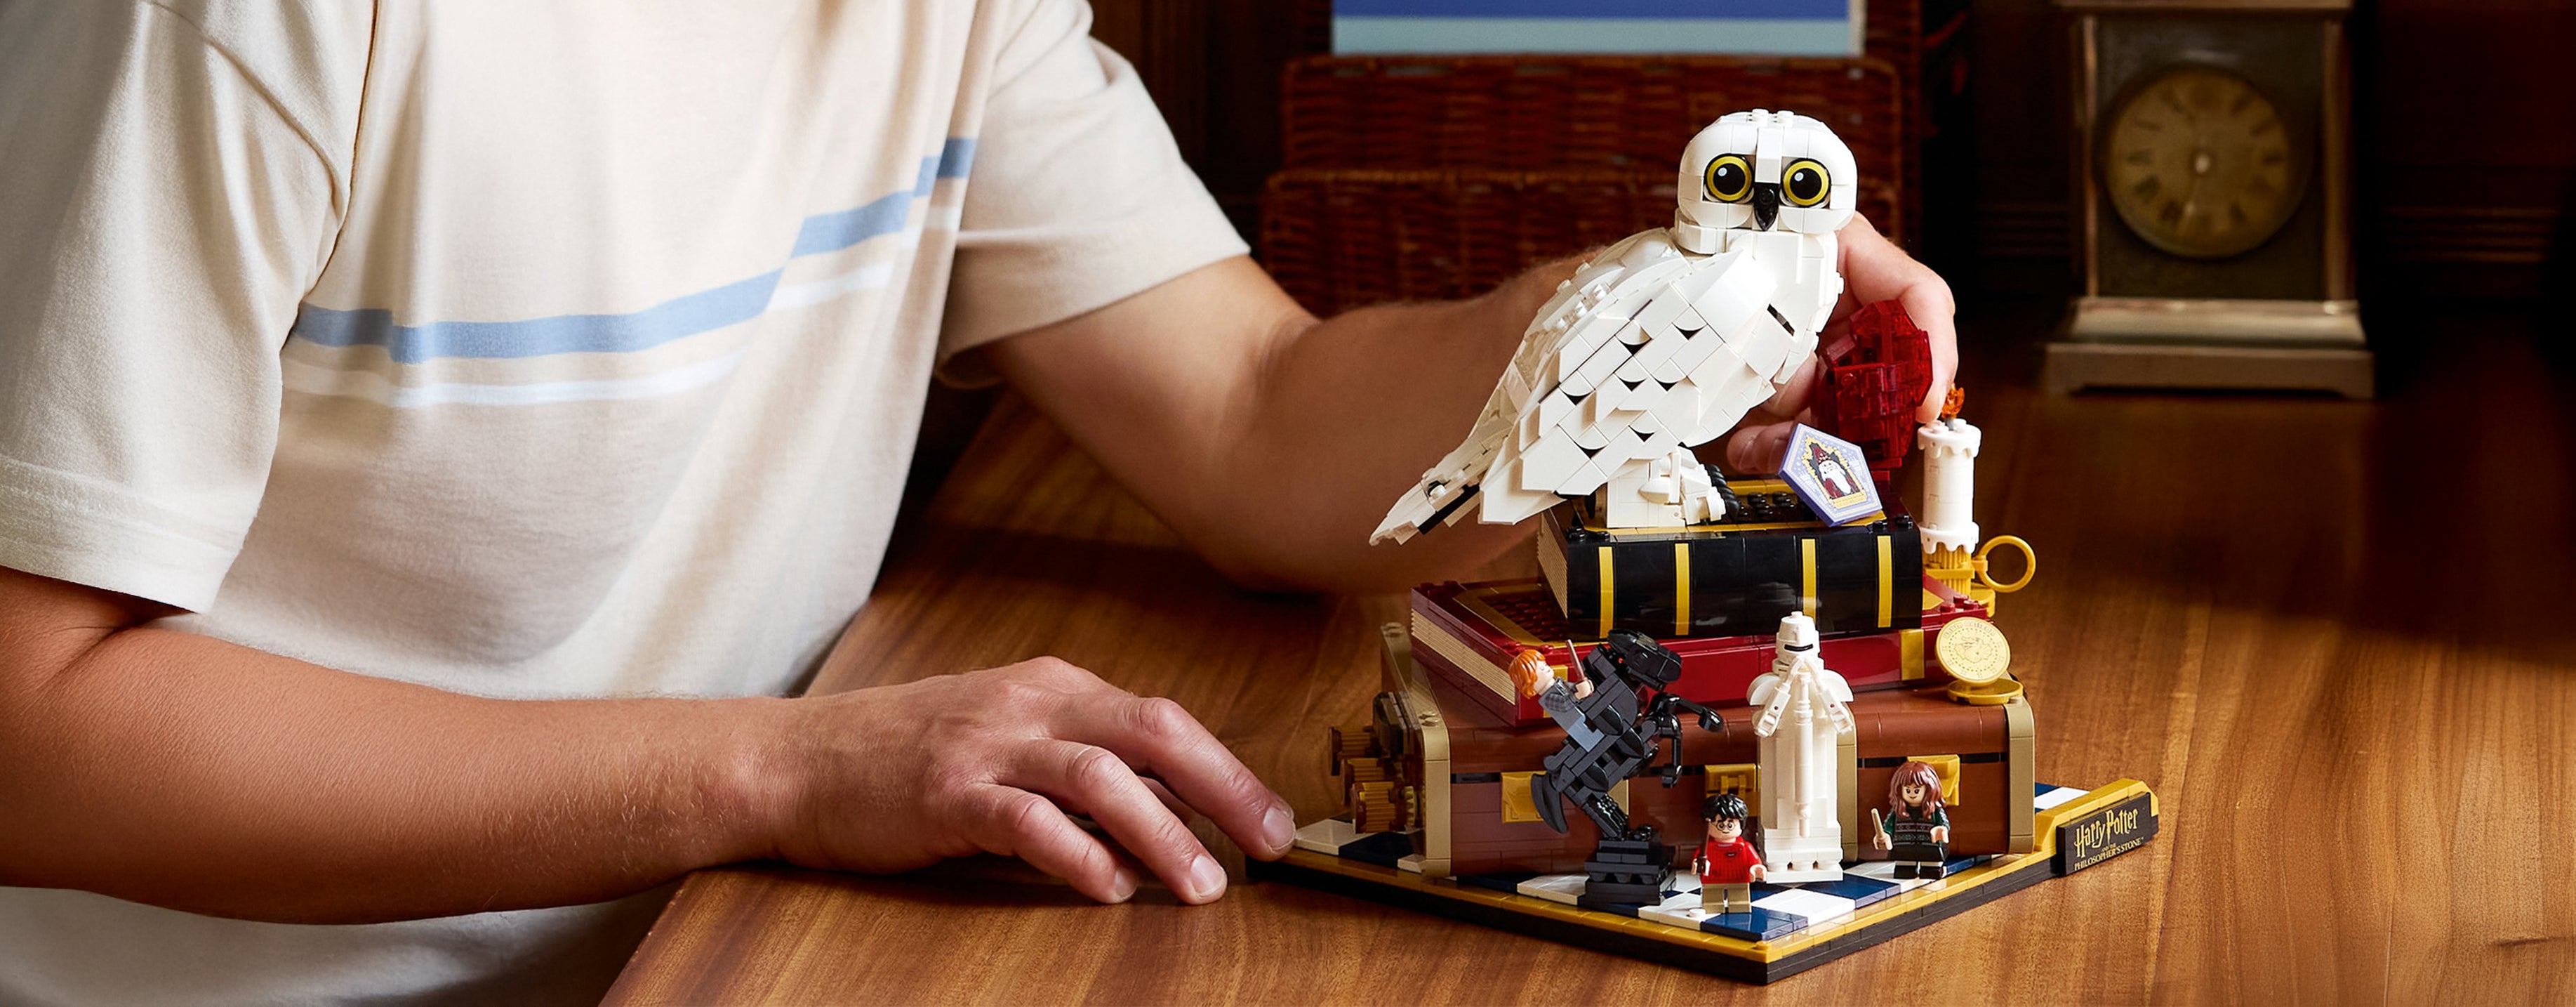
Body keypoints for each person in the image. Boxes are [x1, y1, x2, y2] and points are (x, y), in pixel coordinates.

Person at [0, 1, 1959, 1001]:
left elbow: (1264, 423)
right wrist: (778, 771)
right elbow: (30, 733)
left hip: (723, 958)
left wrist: (1667, 315)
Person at [1872, 760, 1953, 878]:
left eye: (1917, 790)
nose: (1912, 794)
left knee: (1931, 870)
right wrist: (1884, 836)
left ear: (1929, 789)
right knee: (1904, 869)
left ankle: (1931, 869)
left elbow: (1944, 823)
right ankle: (1907, 868)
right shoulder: (1898, 811)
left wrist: (1942, 830)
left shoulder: (1934, 810)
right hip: (1904, 849)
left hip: (1929, 847)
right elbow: (1888, 827)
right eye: (1908, 790)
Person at [1694, 792, 1765, 914]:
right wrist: (1697, 865)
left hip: (1739, 879)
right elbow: (1697, 860)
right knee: (1712, 902)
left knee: (1740, 903)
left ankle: (1739, 907)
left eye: (1730, 825)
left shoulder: (1745, 847)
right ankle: (1712, 906)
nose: (1725, 829)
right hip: (1712, 879)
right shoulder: (1705, 848)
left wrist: (1757, 868)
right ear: (1708, 825)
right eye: (1720, 825)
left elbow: (1755, 861)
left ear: (1741, 825)